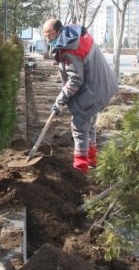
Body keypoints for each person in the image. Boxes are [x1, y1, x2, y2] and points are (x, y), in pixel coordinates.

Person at [43, 18, 117, 173]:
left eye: (49, 35)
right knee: (89, 125)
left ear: (58, 31)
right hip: (103, 84)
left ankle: (80, 167)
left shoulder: (70, 49)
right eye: (45, 35)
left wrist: (60, 100)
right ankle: (91, 160)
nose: (47, 38)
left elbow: (76, 79)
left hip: (93, 90)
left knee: (79, 127)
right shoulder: (74, 35)